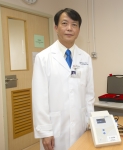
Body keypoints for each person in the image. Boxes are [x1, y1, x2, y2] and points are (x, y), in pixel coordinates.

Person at [32, 8, 95, 150]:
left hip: (81, 125)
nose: (69, 29)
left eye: (74, 25)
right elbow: (39, 98)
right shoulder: (43, 58)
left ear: (79, 30)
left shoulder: (85, 58)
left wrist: (90, 121)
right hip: (54, 128)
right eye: (65, 23)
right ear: (56, 27)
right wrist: (45, 131)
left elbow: (89, 94)